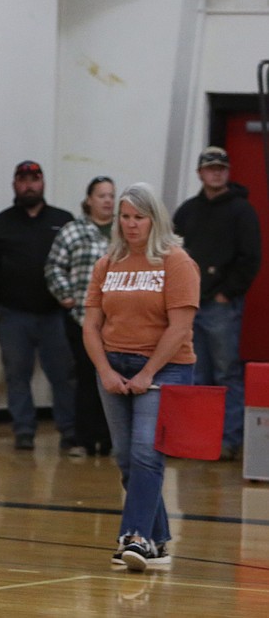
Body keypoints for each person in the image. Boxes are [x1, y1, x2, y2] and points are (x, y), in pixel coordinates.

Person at [83, 182, 200, 572]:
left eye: (139, 217)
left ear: (155, 220)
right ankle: (159, 542)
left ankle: (134, 537)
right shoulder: (107, 263)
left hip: (166, 367)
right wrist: (105, 370)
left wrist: (148, 372)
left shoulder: (176, 261)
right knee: (126, 460)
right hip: (114, 366)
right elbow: (91, 324)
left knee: (147, 454)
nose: (131, 225)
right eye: (125, 217)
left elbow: (180, 327)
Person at [0, 161, 76, 452]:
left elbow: (78, 264)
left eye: (34, 179)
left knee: (64, 375)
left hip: (56, 313)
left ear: (43, 183)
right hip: (12, 314)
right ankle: (24, 431)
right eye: (23, 179)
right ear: (15, 184)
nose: (29, 185)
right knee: (17, 375)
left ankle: (69, 431)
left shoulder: (64, 220)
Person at [173, 146, 262, 461]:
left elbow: (251, 258)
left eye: (221, 168)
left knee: (225, 374)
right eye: (210, 168)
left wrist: (228, 292)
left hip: (222, 306)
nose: (216, 172)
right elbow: (172, 253)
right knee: (196, 376)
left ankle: (229, 440)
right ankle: (199, 440)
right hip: (189, 307)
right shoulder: (186, 211)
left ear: (228, 172)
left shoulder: (242, 210)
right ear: (200, 173)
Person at [45, 175, 116, 458]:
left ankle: (110, 439)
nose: (108, 200)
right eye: (102, 196)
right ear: (89, 200)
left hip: (116, 322)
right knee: (85, 379)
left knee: (112, 379)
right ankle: (84, 438)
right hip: (81, 319)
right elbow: (54, 267)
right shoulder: (72, 231)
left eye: (112, 195)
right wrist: (66, 294)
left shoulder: (124, 233)